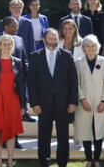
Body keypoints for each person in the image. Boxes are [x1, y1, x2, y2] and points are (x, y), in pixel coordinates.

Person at [28, 28, 78, 167]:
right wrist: (34, 103)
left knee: (63, 136)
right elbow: (31, 82)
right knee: (44, 136)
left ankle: (63, 163)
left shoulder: (67, 55)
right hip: (43, 104)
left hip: (63, 103)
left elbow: (73, 80)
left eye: (55, 39)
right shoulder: (35, 56)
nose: (53, 42)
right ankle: (44, 162)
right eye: (50, 39)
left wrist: (73, 102)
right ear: (44, 40)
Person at [0, 35, 25, 167]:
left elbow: (20, 85)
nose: (7, 47)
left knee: (11, 131)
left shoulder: (17, 62)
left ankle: (10, 160)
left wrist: (23, 105)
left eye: (10, 44)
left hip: (13, 100)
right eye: (5, 44)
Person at [74, 35, 104, 167]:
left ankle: (97, 160)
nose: (91, 49)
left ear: (97, 47)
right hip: (84, 103)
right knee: (86, 132)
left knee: (98, 132)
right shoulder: (78, 62)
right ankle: (88, 160)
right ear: (84, 48)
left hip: (101, 103)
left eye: (93, 46)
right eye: (88, 46)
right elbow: (76, 83)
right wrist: (82, 100)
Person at [0, 16, 33, 126]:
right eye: (14, 26)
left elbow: (24, 59)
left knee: (16, 113)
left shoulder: (19, 40)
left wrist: (28, 75)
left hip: (18, 81)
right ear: (6, 27)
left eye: (17, 26)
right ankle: (4, 141)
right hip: (2, 84)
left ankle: (14, 140)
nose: (17, 28)